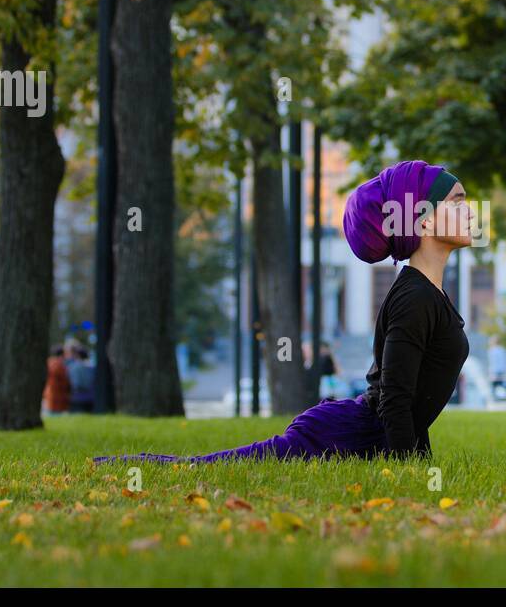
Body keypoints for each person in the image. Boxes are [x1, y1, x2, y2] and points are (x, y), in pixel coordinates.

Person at [95, 160, 472, 464]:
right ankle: (121, 463)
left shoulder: (429, 293)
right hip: (338, 438)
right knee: (202, 466)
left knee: (207, 464)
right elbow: (395, 398)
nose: (470, 211)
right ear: (424, 219)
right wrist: (407, 470)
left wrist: (422, 463)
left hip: (356, 437)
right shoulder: (413, 297)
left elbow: (413, 399)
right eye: (457, 201)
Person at [66, 340, 95, 413]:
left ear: (77, 355)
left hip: (77, 398)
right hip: (91, 398)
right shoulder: (92, 366)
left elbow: (75, 383)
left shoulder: (73, 367)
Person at [43, 345, 70, 415]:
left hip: (48, 393)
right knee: (56, 414)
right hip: (58, 395)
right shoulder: (60, 365)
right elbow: (65, 381)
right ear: (61, 355)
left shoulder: (48, 362)